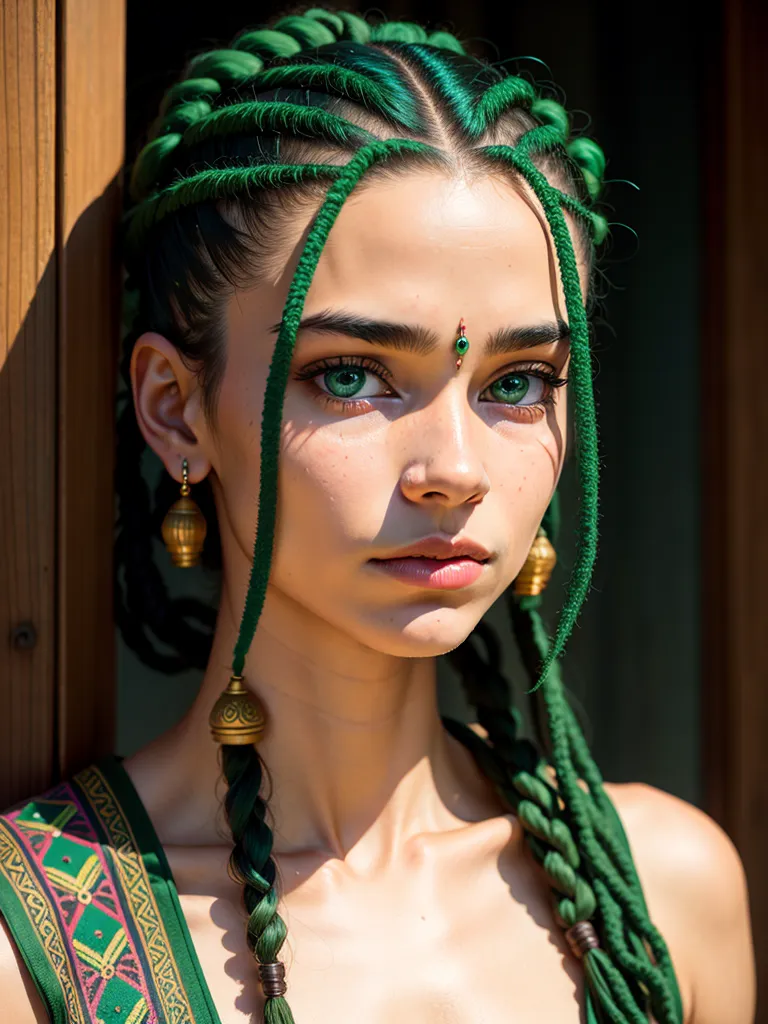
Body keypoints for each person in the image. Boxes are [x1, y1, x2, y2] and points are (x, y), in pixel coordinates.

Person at [0, 8, 755, 1023]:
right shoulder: (30, 944)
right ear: (176, 407)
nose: (454, 469)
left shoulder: (656, 899)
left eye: (520, 381)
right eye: (351, 375)